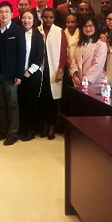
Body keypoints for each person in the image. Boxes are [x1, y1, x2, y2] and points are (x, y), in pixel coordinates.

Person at [0, 2, 26, 146]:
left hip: (11, 75)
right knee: (1, 104)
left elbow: (22, 53)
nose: (3, 14)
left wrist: (19, 74)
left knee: (12, 104)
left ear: (12, 14)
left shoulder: (18, 30)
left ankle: (13, 133)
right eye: (1, 12)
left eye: (6, 11)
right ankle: (2, 130)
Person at [38, 8, 67, 140]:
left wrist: (60, 69)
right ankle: (44, 123)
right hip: (40, 70)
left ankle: (52, 125)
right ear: (41, 17)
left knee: (53, 99)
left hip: (54, 70)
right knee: (42, 98)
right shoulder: (37, 30)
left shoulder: (59, 31)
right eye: (46, 17)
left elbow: (63, 52)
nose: (48, 19)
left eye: (51, 17)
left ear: (54, 19)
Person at [18, 10, 44, 141]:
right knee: (21, 102)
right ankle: (22, 128)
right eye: (24, 18)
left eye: (29, 18)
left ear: (34, 20)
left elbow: (40, 56)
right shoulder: (17, 33)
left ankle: (30, 130)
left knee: (31, 103)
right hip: (19, 75)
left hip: (32, 74)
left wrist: (29, 71)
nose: (26, 21)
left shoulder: (37, 35)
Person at [70, 16, 107, 86]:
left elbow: (98, 64)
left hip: (92, 82)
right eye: (85, 26)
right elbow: (74, 60)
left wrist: (86, 80)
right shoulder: (79, 43)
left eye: (91, 26)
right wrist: (74, 75)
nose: (88, 28)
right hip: (78, 80)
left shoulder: (101, 43)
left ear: (95, 27)